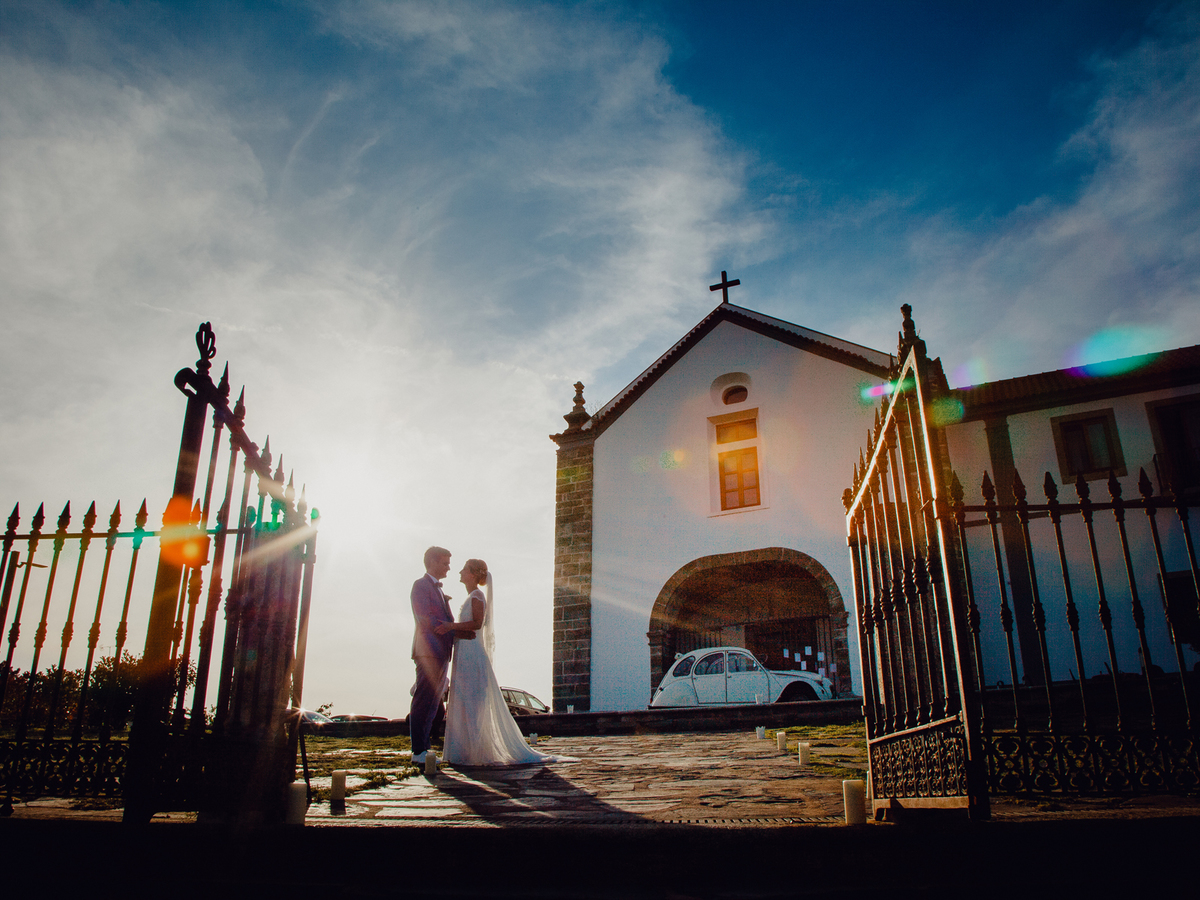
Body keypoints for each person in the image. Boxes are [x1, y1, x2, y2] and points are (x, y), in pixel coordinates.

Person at [436, 559, 565, 766]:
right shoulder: (471, 596)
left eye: (464, 569)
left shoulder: (477, 595)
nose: (459, 572)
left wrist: (450, 626)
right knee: (464, 698)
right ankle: (465, 751)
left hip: (472, 653)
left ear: (472, 574)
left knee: (472, 700)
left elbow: (477, 624)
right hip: (464, 650)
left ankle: (477, 751)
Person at [408, 545, 472, 765]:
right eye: (445, 563)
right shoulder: (420, 586)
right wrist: (448, 626)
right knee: (423, 700)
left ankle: (424, 749)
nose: (448, 568)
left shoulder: (438, 590)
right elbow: (423, 617)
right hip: (428, 652)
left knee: (434, 702)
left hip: (441, 652)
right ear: (433, 562)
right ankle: (418, 751)